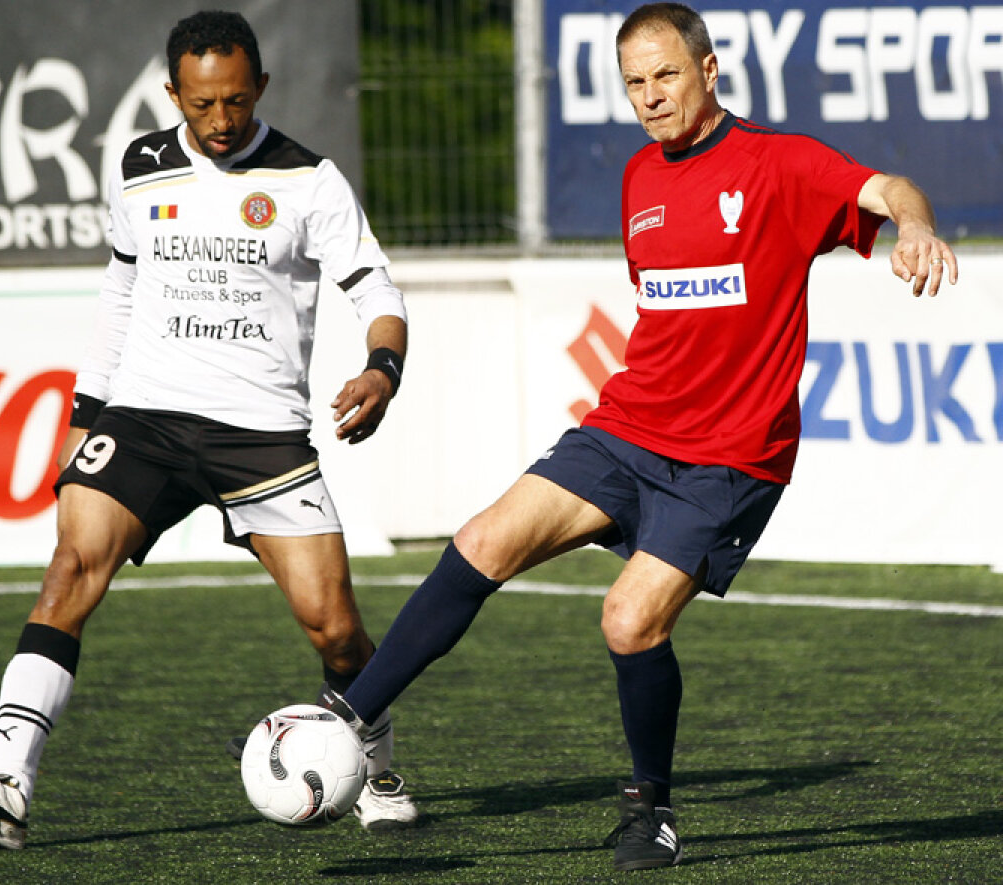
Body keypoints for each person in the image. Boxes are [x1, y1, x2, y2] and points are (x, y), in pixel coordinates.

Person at [307, 1, 959, 873]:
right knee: (481, 540)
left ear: (708, 71)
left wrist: (913, 226)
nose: (651, 96)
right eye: (635, 83)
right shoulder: (640, 177)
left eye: (666, 76)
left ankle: (652, 808)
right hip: (627, 428)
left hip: (729, 457)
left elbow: (887, 189)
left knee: (628, 620)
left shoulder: (779, 164)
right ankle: (345, 719)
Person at [0, 9, 419, 849]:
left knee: (335, 628)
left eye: (236, 100)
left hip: (260, 435)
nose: (220, 120)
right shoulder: (138, 167)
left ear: (261, 86)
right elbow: (120, 295)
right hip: (145, 419)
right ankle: (8, 788)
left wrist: (382, 369)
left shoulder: (309, 179)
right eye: (201, 104)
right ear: (173, 94)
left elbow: (376, 289)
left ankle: (375, 769)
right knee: (69, 570)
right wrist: (86, 413)